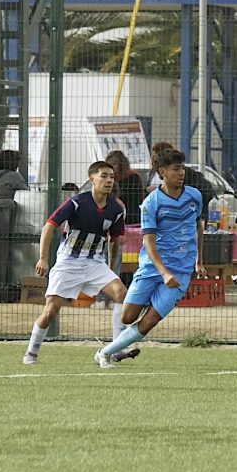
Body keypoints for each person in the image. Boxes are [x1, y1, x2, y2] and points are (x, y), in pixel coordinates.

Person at [93, 148, 205, 368]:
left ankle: (104, 353)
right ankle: (120, 342)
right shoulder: (152, 202)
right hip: (152, 268)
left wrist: (198, 260)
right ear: (163, 172)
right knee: (127, 317)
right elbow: (149, 243)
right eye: (176, 169)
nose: (181, 172)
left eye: (182, 167)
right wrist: (163, 272)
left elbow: (198, 227)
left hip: (180, 271)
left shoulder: (195, 196)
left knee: (149, 321)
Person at [22, 161, 132, 365]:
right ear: (92, 179)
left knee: (122, 295)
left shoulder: (116, 209)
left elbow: (114, 240)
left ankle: (117, 348)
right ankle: (31, 352)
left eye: (112, 177)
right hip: (68, 262)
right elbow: (48, 227)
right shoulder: (77, 202)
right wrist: (44, 258)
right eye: (104, 176)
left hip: (95, 263)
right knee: (51, 311)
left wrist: (110, 266)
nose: (109, 180)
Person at [105, 149, 144, 225]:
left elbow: (135, 200)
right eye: (109, 165)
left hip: (131, 217)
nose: (111, 167)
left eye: (114, 164)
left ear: (121, 164)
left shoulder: (133, 177)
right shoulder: (108, 179)